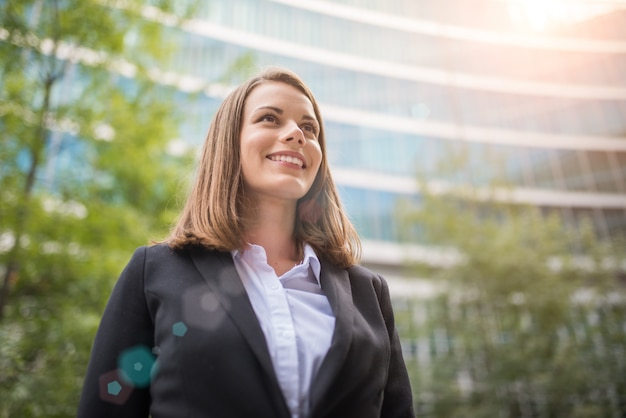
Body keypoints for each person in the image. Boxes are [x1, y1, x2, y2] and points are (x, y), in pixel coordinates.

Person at [77, 67, 415, 418]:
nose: (296, 134)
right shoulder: (155, 273)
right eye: (270, 118)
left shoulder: (369, 293)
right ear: (230, 143)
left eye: (309, 127)